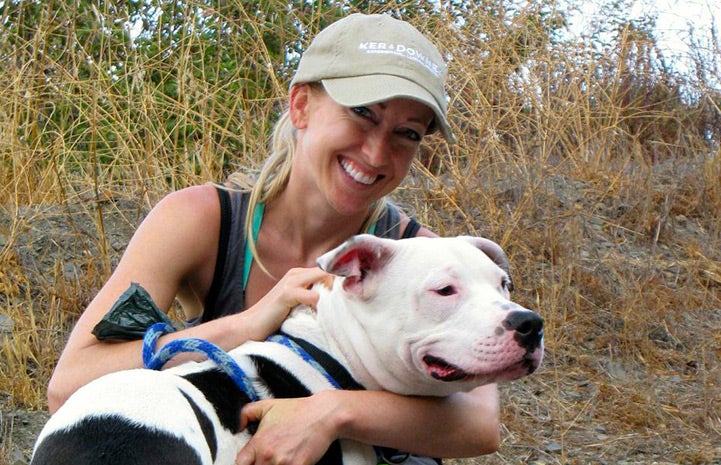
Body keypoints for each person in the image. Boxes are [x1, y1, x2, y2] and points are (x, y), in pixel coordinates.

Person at [47, 13, 505, 465]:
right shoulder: (204, 220)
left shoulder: (421, 258)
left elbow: (480, 427)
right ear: (300, 105)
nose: (376, 152)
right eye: (363, 114)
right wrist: (247, 324)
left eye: (407, 133)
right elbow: (67, 387)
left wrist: (330, 412)